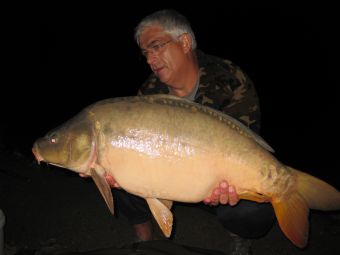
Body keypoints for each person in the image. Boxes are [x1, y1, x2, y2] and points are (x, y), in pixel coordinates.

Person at [88, 9, 274, 255]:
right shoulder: (149, 92)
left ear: (185, 42)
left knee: (253, 212)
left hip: (216, 184)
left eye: (156, 47)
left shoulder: (230, 79)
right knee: (110, 165)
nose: (149, 60)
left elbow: (247, 144)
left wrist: (231, 186)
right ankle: (144, 237)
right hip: (167, 178)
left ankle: (239, 236)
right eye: (145, 53)